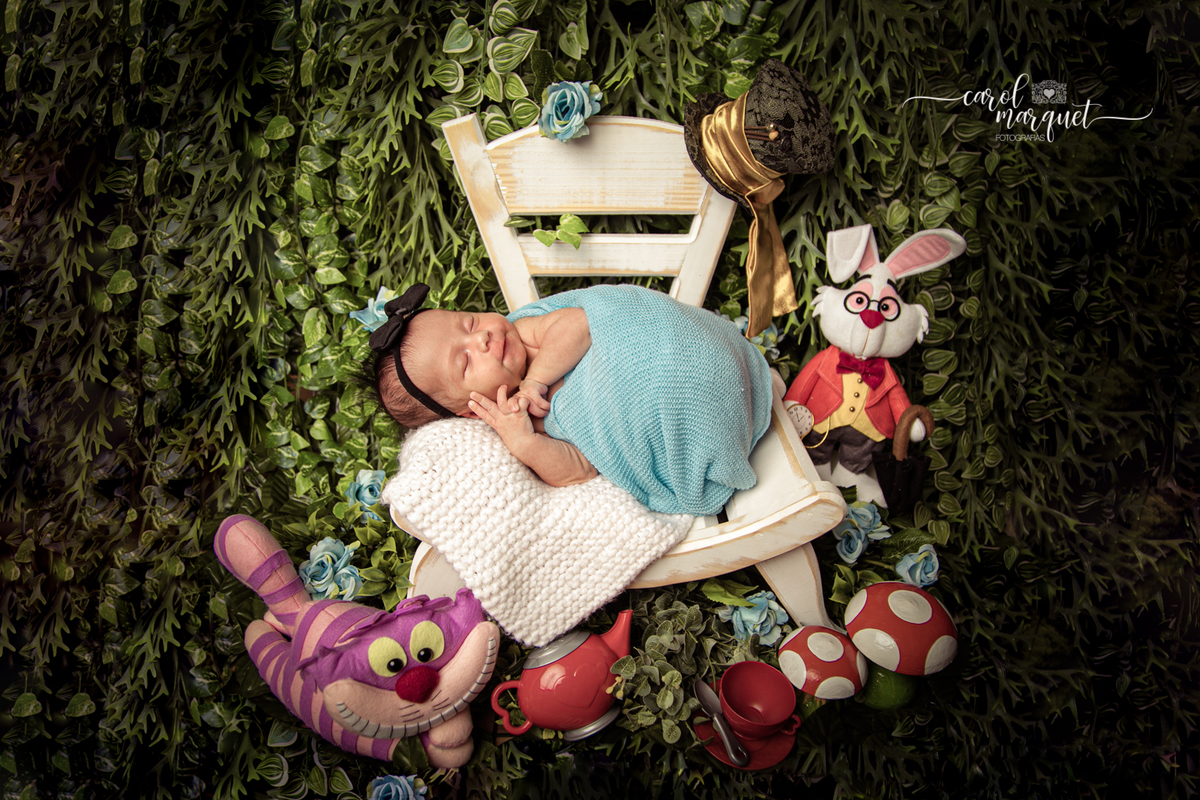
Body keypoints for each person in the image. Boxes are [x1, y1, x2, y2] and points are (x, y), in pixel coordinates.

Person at [368, 283, 773, 516]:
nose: (482, 338)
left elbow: (580, 323)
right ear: (468, 409)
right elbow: (580, 469)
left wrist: (537, 381)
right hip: (681, 420)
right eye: (465, 360)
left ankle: (730, 386)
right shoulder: (515, 422)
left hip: (684, 349)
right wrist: (525, 443)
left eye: (468, 323)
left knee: (677, 357)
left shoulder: (525, 331)